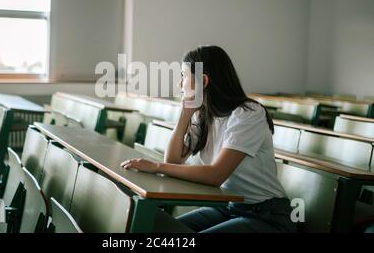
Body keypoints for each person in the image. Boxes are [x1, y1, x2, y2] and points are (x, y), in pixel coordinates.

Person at [121, 45, 297, 233]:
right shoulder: (203, 115)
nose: (180, 84)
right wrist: (185, 114)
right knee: (161, 231)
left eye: (183, 76)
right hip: (227, 207)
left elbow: (216, 175)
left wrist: (155, 167)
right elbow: (172, 161)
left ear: (203, 81)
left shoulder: (248, 114)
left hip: (267, 216)